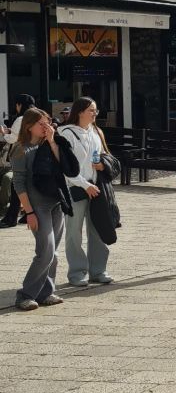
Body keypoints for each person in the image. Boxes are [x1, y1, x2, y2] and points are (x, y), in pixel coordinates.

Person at [10, 107, 78, 310]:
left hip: (56, 201)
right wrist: (29, 212)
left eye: (48, 122)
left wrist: (52, 140)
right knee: (45, 251)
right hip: (37, 205)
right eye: (41, 123)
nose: (45, 127)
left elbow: (64, 166)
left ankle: (46, 292)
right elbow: (19, 184)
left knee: (54, 252)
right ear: (29, 126)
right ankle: (25, 294)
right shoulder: (20, 149)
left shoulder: (49, 143)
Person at [58, 97, 113, 287]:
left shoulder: (96, 132)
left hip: (96, 187)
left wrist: (101, 166)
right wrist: (84, 184)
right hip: (75, 188)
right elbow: (66, 167)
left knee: (98, 228)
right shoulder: (65, 133)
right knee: (74, 232)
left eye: (95, 110)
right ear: (80, 111)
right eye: (91, 110)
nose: (94, 114)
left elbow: (103, 156)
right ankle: (77, 272)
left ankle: (98, 270)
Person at [1, 93, 36, 227]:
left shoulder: (21, 118)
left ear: (20, 105)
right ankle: (28, 214)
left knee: (16, 185)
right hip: (34, 154)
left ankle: (11, 218)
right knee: (28, 185)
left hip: (21, 155)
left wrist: (4, 133)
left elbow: (13, 139)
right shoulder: (37, 116)